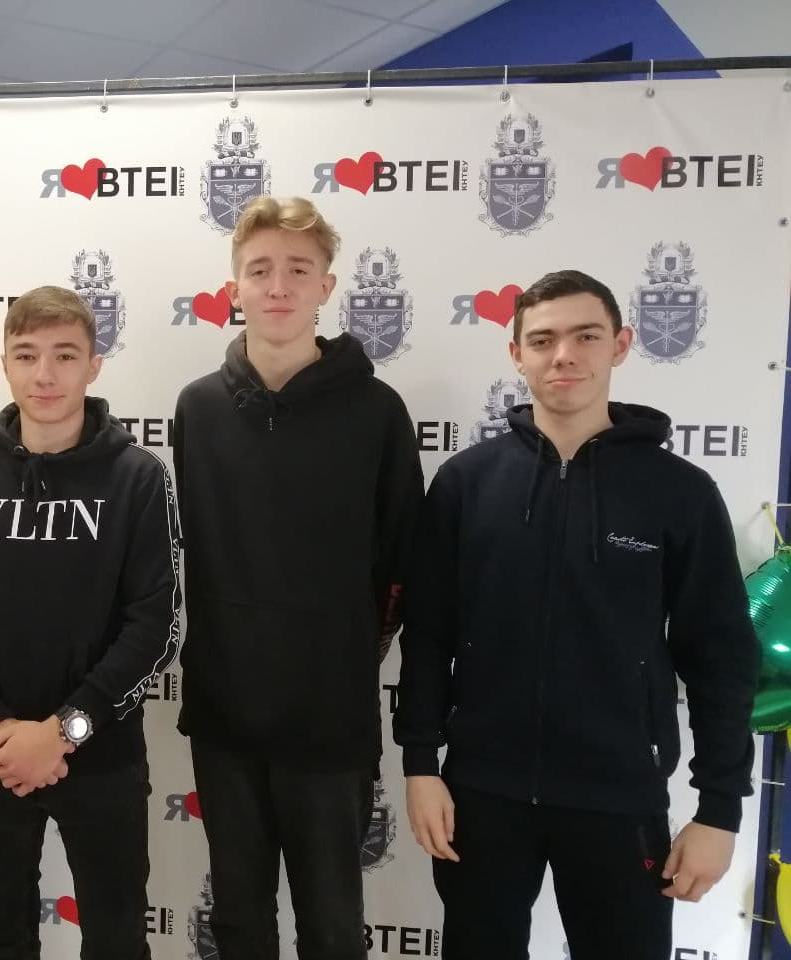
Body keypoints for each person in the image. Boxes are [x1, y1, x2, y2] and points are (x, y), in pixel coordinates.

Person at [395, 269, 758, 960]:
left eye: (585, 336)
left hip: (619, 794)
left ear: (619, 344)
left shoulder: (679, 492)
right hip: (482, 792)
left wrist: (719, 809)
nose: (564, 355)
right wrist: (420, 763)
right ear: (517, 354)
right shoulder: (467, 483)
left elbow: (720, 655)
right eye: (543, 340)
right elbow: (430, 634)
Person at [173, 196, 423, 960]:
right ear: (234, 288)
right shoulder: (197, 409)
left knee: (332, 926)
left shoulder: (377, 412)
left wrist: (340, 655)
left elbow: (401, 568)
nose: (278, 286)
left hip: (329, 720)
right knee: (239, 922)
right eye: (260, 270)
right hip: (225, 718)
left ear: (326, 286)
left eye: (297, 269)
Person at [0, 284, 181, 960]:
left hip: (102, 753)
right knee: (4, 939)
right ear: (4, 363)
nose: (45, 374)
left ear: (94, 365)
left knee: (117, 941)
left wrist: (66, 731)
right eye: (27, 354)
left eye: (65, 355)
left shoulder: (139, 478)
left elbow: (156, 626)